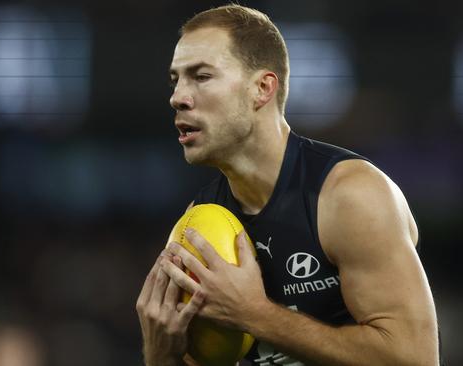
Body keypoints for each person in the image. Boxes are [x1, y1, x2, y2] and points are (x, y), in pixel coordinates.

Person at [136, 4, 440, 366]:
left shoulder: (349, 195)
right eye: (176, 80)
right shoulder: (200, 223)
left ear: (262, 89)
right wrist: (160, 355)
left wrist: (256, 315)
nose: (178, 97)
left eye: (201, 76)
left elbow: (415, 358)